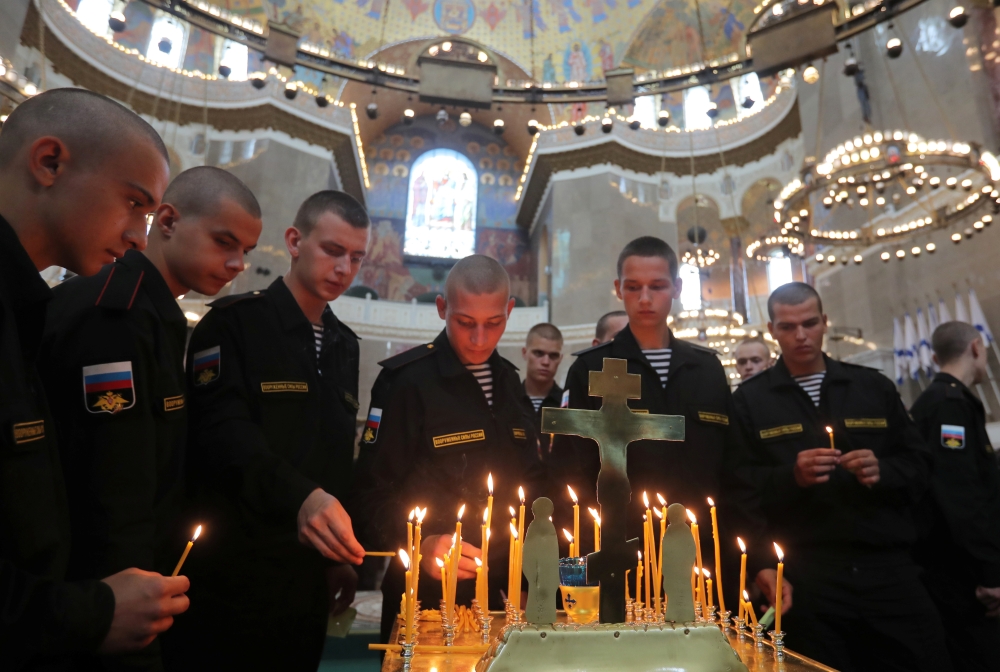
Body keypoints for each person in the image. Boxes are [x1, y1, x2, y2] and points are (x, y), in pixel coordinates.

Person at [38, 166, 263, 671]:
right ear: (167, 220)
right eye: (224, 241)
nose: (237, 264)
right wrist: (119, 620)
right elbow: (112, 490)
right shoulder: (115, 316)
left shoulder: (154, 315)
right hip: (100, 605)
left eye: (246, 251)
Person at [0, 88, 190, 670]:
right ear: (50, 162)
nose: (140, 236)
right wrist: (90, 613)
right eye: (133, 203)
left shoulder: (22, 308)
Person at [164, 191, 370, 671]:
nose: (344, 269)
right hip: (236, 571)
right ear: (295, 241)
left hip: (306, 580)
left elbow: (336, 455)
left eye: (356, 258)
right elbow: (222, 436)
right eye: (333, 251)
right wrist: (304, 499)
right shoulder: (234, 323)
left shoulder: (344, 344)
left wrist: (336, 553)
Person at [732, 282, 951, 672]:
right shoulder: (750, 401)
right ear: (772, 331)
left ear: (825, 322)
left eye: (810, 323)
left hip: (886, 565)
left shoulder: (872, 386)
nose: (800, 335)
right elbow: (739, 487)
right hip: (809, 571)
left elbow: (921, 465)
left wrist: (884, 470)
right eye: (787, 327)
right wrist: (790, 477)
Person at [557, 236, 765, 607]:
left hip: (703, 552)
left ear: (677, 288)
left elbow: (735, 469)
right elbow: (571, 471)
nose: (646, 298)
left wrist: (757, 556)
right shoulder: (592, 367)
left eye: (658, 286)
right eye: (634, 287)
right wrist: (573, 568)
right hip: (620, 553)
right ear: (618, 289)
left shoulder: (706, 368)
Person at [351, 255, 546, 643]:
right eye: (464, 323)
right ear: (442, 309)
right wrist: (421, 544)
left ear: (509, 311)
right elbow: (369, 494)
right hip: (424, 595)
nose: (479, 339)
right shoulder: (407, 382)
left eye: (494, 323)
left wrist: (532, 575)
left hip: (504, 594)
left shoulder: (509, 381)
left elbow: (529, 481)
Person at [910, 321, 1000, 672]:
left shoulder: (935, 400)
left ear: (934, 357)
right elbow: (963, 496)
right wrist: (991, 572)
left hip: (946, 566)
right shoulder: (950, 405)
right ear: (977, 347)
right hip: (961, 573)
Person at [519, 323, 565, 460]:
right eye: (538, 353)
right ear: (524, 353)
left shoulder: (567, 404)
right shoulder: (509, 400)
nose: (545, 362)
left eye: (553, 356)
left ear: (560, 359)